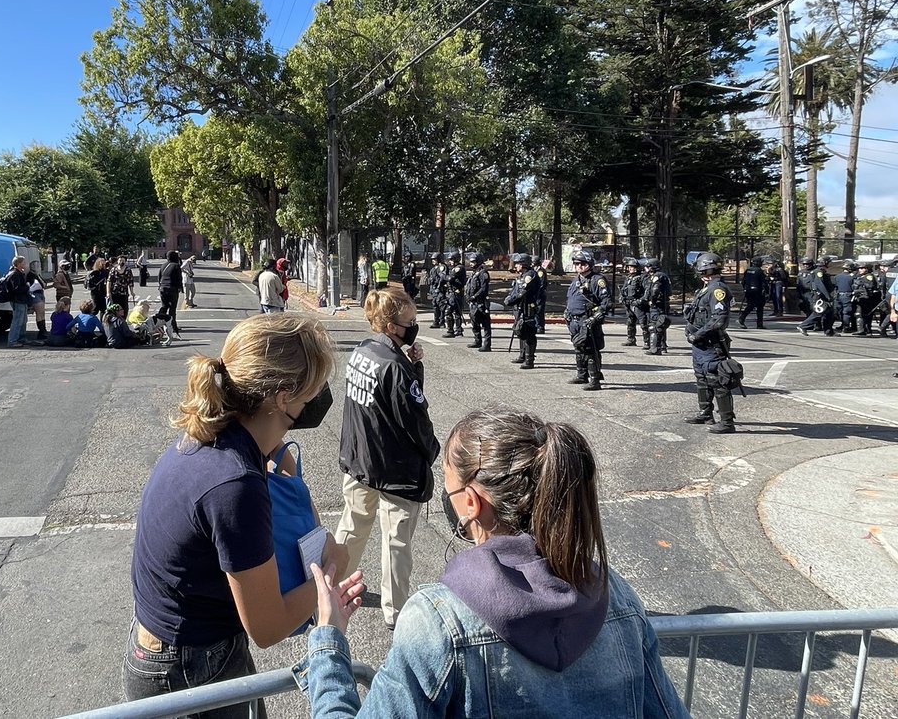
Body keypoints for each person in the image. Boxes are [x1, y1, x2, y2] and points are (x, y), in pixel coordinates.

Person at [297, 408, 690, 718]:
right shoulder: (614, 593)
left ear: (471, 502)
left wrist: (328, 641)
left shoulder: (438, 620)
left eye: (449, 489)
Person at [124, 313, 352, 714]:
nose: (317, 398)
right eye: (312, 390)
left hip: (174, 647)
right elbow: (267, 627)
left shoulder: (215, 433)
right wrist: (329, 582)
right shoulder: (235, 484)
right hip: (192, 665)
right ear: (283, 397)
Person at [335, 288, 439, 631]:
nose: (414, 327)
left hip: (360, 458)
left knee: (352, 527)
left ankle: (333, 587)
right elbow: (415, 419)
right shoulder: (395, 366)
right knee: (395, 541)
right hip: (394, 467)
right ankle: (396, 613)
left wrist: (413, 367)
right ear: (392, 326)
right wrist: (432, 451)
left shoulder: (362, 351)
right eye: (410, 322)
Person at [683, 252, 737, 434]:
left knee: (717, 381)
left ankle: (727, 422)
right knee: (702, 379)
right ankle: (705, 413)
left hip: (711, 344)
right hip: (701, 345)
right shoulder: (706, 288)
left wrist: (697, 335)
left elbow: (718, 319)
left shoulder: (717, 289)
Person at [564, 250, 612, 390]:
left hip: (588, 320)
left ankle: (595, 380)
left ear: (589, 264)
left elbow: (607, 303)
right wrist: (567, 311)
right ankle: (581, 375)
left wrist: (595, 317)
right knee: (579, 348)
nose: (578, 266)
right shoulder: (576, 279)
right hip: (574, 320)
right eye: (576, 263)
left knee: (591, 350)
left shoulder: (597, 280)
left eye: (582, 263)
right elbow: (571, 298)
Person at [504, 253, 542, 369]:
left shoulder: (530, 275)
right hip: (519, 308)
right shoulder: (521, 275)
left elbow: (523, 292)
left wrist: (512, 300)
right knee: (521, 331)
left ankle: (529, 359)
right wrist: (509, 298)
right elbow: (515, 291)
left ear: (523, 264)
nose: (515, 266)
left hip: (528, 308)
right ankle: (522, 355)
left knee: (529, 333)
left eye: (517, 264)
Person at [642, 257, 672, 355]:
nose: (646, 268)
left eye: (648, 266)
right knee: (661, 325)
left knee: (654, 326)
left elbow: (655, 290)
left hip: (657, 305)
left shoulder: (657, 276)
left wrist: (651, 300)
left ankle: (655, 348)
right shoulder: (663, 275)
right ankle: (662, 346)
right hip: (663, 304)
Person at [798, 256, 835, 336]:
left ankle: (829, 331)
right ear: (825, 262)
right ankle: (803, 326)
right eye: (829, 262)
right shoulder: (819, 271)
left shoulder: (820, 271)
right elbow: (820, 285)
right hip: (821, 296)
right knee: (819, 313)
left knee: (829, 313)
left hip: (822, 296)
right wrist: (827, 296)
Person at [464, 254, 492, 352]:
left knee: (485, 324)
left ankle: (487, 344)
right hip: (473, 303)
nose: (471, 264)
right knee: (474, 322)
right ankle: (477, 341)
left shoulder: (483, 273)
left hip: (481, 302)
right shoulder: (474, 273)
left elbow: (483, 288)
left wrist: (474, 296)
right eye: (471, 262)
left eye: (473, 262)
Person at [3, 256, 32, 348]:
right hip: (18, 300)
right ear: (19, 264)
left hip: (22, 299)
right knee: (17, 321)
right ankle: (12, 341)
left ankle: (21, 338)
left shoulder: (19, 272)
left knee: (23, 320)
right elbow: (16, 289)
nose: (25, 263)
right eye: (23, 262)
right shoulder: (15, 274)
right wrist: (27, 286)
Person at [619, 255, 646, 346]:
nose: (630, 268)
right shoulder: (629, 277)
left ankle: (647, 342)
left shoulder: (642, 278)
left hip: (637, 303)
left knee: (643, 323)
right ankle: (631, 339)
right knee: (630, 322)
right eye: (629, 267)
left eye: (632, 267)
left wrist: (640, 301)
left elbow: (646, 291)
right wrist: (621, 297)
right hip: (628, 303)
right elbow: (624, 288)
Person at [156, 250, 184, 339]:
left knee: (164, 307)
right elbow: (179, 278)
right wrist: (181, 288)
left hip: (163, 288)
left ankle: (158, 323)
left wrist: (160, 285)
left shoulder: (163, 265)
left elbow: (159, 277)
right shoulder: (176, 266)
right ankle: (173, 326)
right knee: (172, 309)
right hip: (172, 289)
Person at [851, 261, 883, 337]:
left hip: (867, 298)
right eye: (859, 268)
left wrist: (859, 290)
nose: (860, 270)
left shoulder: (869, 276)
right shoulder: (859, 276)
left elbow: (870, 286)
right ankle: (861, 330)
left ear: (867, 269)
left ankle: (867, 330)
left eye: (862, 268)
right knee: (859, 314)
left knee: (866, 314)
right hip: (860, 298)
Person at [738, 256, 767, 329]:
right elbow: (764, 283)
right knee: (760, 307)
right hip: (758, 291)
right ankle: (759, 324)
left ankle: (742, 318)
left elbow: (743, 281)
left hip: (749, 291)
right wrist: (766, 291)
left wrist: (745, 289)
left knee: (750, 305)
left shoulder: (748, 270)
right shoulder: (759, 271)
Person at [443, 252, 466, 339]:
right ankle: (452, 330)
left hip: (456, 292)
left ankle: (456, 330)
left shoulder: (459, 268)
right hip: (451, 292)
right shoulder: (453, 268)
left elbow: (450, 278)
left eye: (452, 259)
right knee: (452, 311)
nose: (450, 261)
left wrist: (443, 276)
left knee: (452, 311)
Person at [27, 262, 50, 342]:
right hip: (35, 294)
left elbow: (44, 283)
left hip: (40, 293)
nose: (38, 267)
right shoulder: (30, 275)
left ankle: (43, 330)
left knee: (42, 313)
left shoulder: (37, 274)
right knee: (39, 313)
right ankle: (41, 331)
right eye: (36, 266)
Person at [833, 259, 856, 333]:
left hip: (839, 296)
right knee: (846, 312)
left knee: (840, 311)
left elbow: (835, 286)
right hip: (848, 296)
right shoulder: (852, 277)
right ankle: (845, 327)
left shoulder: (837, 276)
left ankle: (843, 324)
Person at [427, 253, 447, 328]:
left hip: (440, 290)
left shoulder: (442, 267)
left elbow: (442, 278)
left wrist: (439, 287)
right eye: (432, 259)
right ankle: (436, 321)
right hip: (434, 290)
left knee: (441, 306)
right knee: (435, 306)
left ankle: (442, 322)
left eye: (435, 259)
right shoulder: (433, 269)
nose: (433, 261)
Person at [533, 255, 549, 333]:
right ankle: (537, 325)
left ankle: (540, 327)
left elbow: (542, 284)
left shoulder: (540, 271)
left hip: (540, 294)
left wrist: (537, 293)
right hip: (536, 294)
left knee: (539, 311)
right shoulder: (535, 270)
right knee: (536, 310)